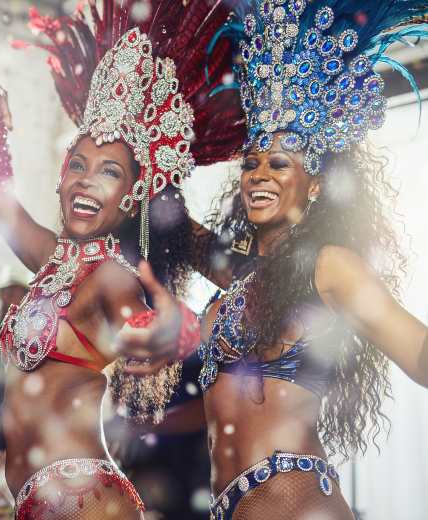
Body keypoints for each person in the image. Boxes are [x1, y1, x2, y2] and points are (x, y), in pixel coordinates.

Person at [124, 2, 428, 519]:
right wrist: (150, 131)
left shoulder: (329, 266)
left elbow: (420, 354)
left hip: (293, 501)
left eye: (280, 163)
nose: (259, 174)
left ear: (313, 186)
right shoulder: (237, 276)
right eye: (251, 163)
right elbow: (166, 214)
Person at [0, 1, 245, 517]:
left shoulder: (110, 277)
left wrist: (168, 330)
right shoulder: (52, 262)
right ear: (61, 177)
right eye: (79, 163)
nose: (86, 178)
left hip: (81, 498)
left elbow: (141, 326)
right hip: (41, 498)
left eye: (109, 172)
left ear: (131, 199)